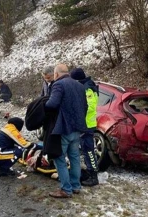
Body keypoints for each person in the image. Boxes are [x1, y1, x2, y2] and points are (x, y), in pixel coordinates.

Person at [45, 63, 88, 198]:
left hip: (64, 129)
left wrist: (44, 103)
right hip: (77, 128)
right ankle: (76, 186)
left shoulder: (59, 85)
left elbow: (52, 104)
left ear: (56, 74)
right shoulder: (80, 86)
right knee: (74, 157)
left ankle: (66, 189)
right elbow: (85, 107)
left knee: (59, 158)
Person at [70, 68, 99, 187]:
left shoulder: (88, 88)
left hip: (87, 125)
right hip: (85, 124)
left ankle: (93, 176)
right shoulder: (85, 86)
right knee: (86, 150)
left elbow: (90, 107)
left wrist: (79, 119)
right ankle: (89, 172)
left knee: (89, 150)